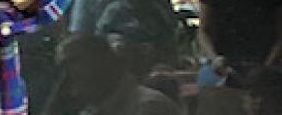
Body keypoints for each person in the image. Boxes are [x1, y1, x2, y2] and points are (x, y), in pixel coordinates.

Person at [41, 33, 179, 115]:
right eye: (63, 68)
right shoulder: (94, 110)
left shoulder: (148, 107)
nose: (67, 77)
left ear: (102, 61)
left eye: (72, 63)